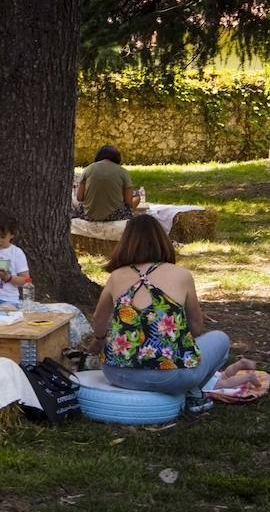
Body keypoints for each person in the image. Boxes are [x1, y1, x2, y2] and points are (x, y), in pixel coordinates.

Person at [86, 215, 230, 412]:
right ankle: (193, 394)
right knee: (220, 338)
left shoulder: (116, 276)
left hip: (118, 374)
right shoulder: (181, 275)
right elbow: (196, 325)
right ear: (163, 241)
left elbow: (99, 320)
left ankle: (190, 392)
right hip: (173, 376)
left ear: (125, 243)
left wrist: (99, 340)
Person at [75, 144, 137, 222]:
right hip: (115, 216)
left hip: (88, 215)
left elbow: (79, 197)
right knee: (137, 194)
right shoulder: (123, 171)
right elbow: (128, 201)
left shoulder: (88, 169)